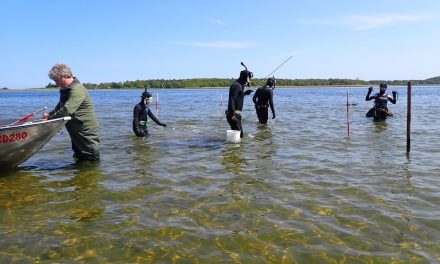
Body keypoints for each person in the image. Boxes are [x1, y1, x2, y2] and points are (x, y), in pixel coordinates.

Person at [43, 63, 100, 161]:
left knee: (91, 160)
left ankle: (91, 175)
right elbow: (60, 107)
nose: (56, 83)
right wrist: (49, 114)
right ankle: (81, 176)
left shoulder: (77, 89)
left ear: (65, 76)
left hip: (85, 132)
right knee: (79, 158)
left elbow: (67, 110)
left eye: (56, 80)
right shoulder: (66, 90)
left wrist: (49, 120)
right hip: (76, 131)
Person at [226, 68, 254, 138]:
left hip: (236, 114)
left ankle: (234, 147)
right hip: (233, 114)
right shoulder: (236, 85)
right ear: (245, 78)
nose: (249, 81)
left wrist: (245, 93)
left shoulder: (239, 86)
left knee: (239, 135)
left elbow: (237, 97)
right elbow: (232, 99)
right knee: (240, 135)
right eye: (249, 79)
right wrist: (233, 114)